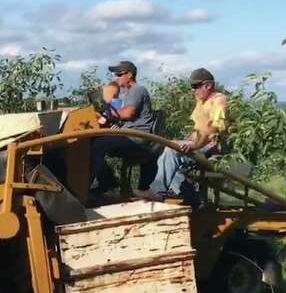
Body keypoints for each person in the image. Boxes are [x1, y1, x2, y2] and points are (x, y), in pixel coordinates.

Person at [136, 67, 227, 201]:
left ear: (208, 85)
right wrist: (185, 142)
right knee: (165, 148)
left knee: (171, 150)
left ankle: (156, 191)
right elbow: (197, 131)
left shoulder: (218, 100)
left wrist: (194, 146)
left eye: (196, 86)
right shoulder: (201, 102)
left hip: (214, 147)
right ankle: (194, 200)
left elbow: (212, 131)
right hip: (203, 144)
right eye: (192, 86)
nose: (193, 90)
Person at [89, 61, 157, 194]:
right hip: (124, 134)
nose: (116, 77)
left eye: (119, 74)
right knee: (87, 142)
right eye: (116, 74)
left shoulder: (137, 90)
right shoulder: (122, 94)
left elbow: (127, 113)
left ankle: (89, 187)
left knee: (99, 144)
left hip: (137, 136)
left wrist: (106, 115)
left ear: (130, 75)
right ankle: (107, 181)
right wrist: (100, 114)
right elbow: (111, 112)